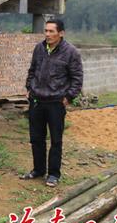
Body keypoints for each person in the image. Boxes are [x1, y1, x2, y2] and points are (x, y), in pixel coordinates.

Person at [22, 19, 83, 187]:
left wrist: (68, 97)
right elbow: (32, 70)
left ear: (61, 33)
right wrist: (29, 88)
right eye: (46, 31)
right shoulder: (39, 48)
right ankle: (38, 170)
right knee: (36, 138)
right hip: (37, 101)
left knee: (56, 140)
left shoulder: (71, 52)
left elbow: (77, 78)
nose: (47, 34)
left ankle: (54, 174)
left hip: (56, 102)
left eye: (51, 31)